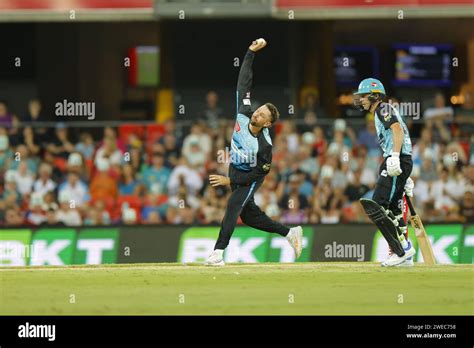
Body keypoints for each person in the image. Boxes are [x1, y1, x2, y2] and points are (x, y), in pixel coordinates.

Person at [205, 38, 303, 266]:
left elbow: (257, 175)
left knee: (232, 206)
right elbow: (244, 82)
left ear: (267, 124)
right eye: (258, 111)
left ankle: (218, 252)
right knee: (249, 216)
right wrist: (250, 52)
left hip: (249, 177)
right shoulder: (243, 111)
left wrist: (229, 179)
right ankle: (290, 234)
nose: (256, 114)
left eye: (262, 116)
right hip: (235, 167)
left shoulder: (264, 147)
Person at [353, 78, 415, 267]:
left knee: (378, 204)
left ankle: (400, 251)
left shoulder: (383, 108)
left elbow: (397, 129)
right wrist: (405, 171)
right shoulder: (381, 111)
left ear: (374, 96)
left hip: (396, 159)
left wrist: (396, 157)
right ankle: (406, 251)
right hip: (399, 160)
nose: (361, 100)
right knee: (394, 209)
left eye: (363, 96)